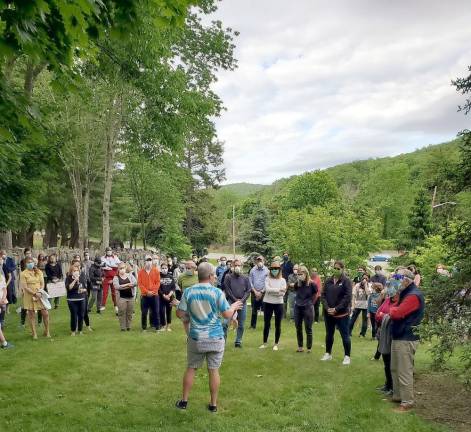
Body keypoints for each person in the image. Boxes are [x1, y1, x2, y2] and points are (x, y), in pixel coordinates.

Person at [175, 262, 242, 412]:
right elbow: (226, 314)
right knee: (213, 370)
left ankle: (184, 402)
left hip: (196, 338)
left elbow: (179, 314)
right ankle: (213, 405)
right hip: (215, 338)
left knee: (191, 368)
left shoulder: (188, 292)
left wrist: (191, 314)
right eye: (214, 276)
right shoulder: (217, 292)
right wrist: (233, 307)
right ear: (211, 276)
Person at [389, 267, 425, 412]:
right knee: (395, 368)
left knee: (404, 370)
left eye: (398, 278)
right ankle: (398, 396)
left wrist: (390, 310)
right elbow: (395, 307)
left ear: (406, 280)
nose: (395, 280)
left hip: (407, 336)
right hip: (399, 335)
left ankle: (407, 402)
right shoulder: (404, 292)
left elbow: (397, 313)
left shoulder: (413, 296)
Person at [321, 260, 352, 365]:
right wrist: (327, 308)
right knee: (329, 334)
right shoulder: (328, 281)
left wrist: (336, 309)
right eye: (335, 268)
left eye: (338, 268)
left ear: (342, 269)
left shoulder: (346, 281)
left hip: (341, 314)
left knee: (345, 335)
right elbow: (323, 295)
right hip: (329, 313)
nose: (336, 270)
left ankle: (347, 356)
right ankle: (328, 353)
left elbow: (347, 297)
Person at [375, 279, 400, 395]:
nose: (389, 289)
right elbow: (377, 314)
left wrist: (384, 315)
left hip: (393, 335)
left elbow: (393, 316)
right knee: (386, 360)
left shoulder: (400, 302)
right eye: (388, 286)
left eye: (390, 287)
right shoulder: (388, 300)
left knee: (392, 362)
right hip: (384, 333)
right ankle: (387, 384)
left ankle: (393, 387)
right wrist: (385, 315)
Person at [20, 257, 51, 339]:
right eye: (28, 262)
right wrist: (34, 293)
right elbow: (25, 287)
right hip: (29, 295)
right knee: (31, 314)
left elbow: (42, 283)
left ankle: (47, 331)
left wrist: (40, 292)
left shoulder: (39, 272)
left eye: (32, 262)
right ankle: (34, 333)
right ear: (25, 264)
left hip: (40, 294)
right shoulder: (23, 274)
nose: (30, 264)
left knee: (45, 313)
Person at [223, 259, 251, 347]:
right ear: (232, 266)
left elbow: (248, 290)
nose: (237, 267)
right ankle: (223, 341)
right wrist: (235, 300)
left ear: (242, 266)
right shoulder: (228, 277)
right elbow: (228, 290)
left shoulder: (245, 278)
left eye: (239, 265)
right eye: (236, 265)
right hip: (231, 302)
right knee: (225, 322)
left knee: (241, 324)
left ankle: (238, 341)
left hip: (242, 303)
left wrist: (241, 301)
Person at [259, 261, 287, 351]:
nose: (275, 270)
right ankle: (264, 342)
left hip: (278, 304)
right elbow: (267, 290)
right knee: (267, 323)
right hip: (267, 302)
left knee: (278, 324)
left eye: (276, 269)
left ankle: (276, 343)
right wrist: (278, 290)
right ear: (270, 270)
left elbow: (282, 294)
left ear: (279, 269)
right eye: (273, 269)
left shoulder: (283, 280)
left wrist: (273, 290)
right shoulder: (267, 279)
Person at [294, 266, 317, 353]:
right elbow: (297, 292)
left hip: (308, 308)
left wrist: (310, 303)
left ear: (306, 274)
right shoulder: (297, 284)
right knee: (298, 327)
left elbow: (315, 294)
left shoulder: (312, 284)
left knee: (308, 328)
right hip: (298, 307)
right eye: (298, 274)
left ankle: (309, 348)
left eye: (301, 274)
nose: (300, 276)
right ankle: (300, 347)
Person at [138, 255, 160, 331]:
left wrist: (153, 292)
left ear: (152, 261)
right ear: (144, 261)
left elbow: (158, 282)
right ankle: (144, 328)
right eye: (147, 260)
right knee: (144, 312)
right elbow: (140, 284)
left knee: (156, 312)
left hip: (154, 295)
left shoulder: (156, 271)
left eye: (150, 260)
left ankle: (157, 327)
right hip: (145, 295)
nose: (149, 262)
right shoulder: (141, 272)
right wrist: (147, 292)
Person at [113, 263, 137, 331]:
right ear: (118, 269)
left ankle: (128, 326)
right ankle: (123, 327)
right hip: (121, 298)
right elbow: (117, 287)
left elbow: (135, 283)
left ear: (125, 268)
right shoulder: (116, 277)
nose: (122, 270)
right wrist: (127, 285)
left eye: (123, 268)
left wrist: (124, 286)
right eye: (120, 268)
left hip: (130, 297)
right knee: (121, 312)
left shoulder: (130, 275)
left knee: (130, 312)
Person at [65, 264, 88, 336]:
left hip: (81, 298)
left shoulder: (81, 278)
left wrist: (83, 290)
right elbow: (69, 288)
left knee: (81, 315)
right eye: (74, 271)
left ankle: (80, 330)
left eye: (77, 270)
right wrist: (75, 280)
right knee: (74, 315)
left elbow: (85, 287)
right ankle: (73, 331)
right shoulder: (68, 278)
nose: (76, 272)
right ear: (71, 272)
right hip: (72, 300)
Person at [249, 256, 268, 329]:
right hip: (254, 293)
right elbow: (250, 282)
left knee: (266, 310)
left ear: (263, 261)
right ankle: (253, 326)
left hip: (263, 293)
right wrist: (255, 291)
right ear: (256, 261)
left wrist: (261, 292)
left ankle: (267, 325)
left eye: (261, 260)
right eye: (258, 260)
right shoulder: (252, 270)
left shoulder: (267, 270)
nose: (259, 262)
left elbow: (267, 282)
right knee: (254, 310)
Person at [100, 247, 121, 313]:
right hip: (106, 277)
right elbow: (102, 266)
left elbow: (117, 266)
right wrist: (110, 267)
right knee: (105, 292)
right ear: (106, 252)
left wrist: (109, 266)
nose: (109, 252)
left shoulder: (115, 257)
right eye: (107, 251)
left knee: (114, 292)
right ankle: (103, 305)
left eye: (110, 251)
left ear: (111, 251)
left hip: (114, 277)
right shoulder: (102, 258)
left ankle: (116, 305)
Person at [159, 262, 176, 331]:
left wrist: (169, 295)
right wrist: (163, 295)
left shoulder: (170, 277)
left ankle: (168, 326)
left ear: (167, 268)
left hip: (170, 297)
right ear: (160, 269)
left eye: (165, 268)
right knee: (162, 311)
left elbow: (173, 287)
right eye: (163, 268)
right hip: (161, 297)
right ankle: (163, 325)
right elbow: (158, 288)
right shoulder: (158, 276)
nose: (164, 269)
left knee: (168, 312)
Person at [281, 252, 294, 318]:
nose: (285, 256)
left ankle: (293, 316)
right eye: (284, 255)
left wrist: (289, 283)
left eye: (286, 255)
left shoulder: (291, 265)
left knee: (291, 301)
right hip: (283, 284)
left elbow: (293, 275)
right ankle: (283, 315)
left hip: (290, 285)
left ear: (288, 256)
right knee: (284, 300)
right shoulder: (282, 265)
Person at [0, 254, 12, 327]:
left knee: (3, 307)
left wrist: (3, 297)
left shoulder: (4, 267)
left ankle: (2, 320)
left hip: (2, 292)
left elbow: (4, 287)